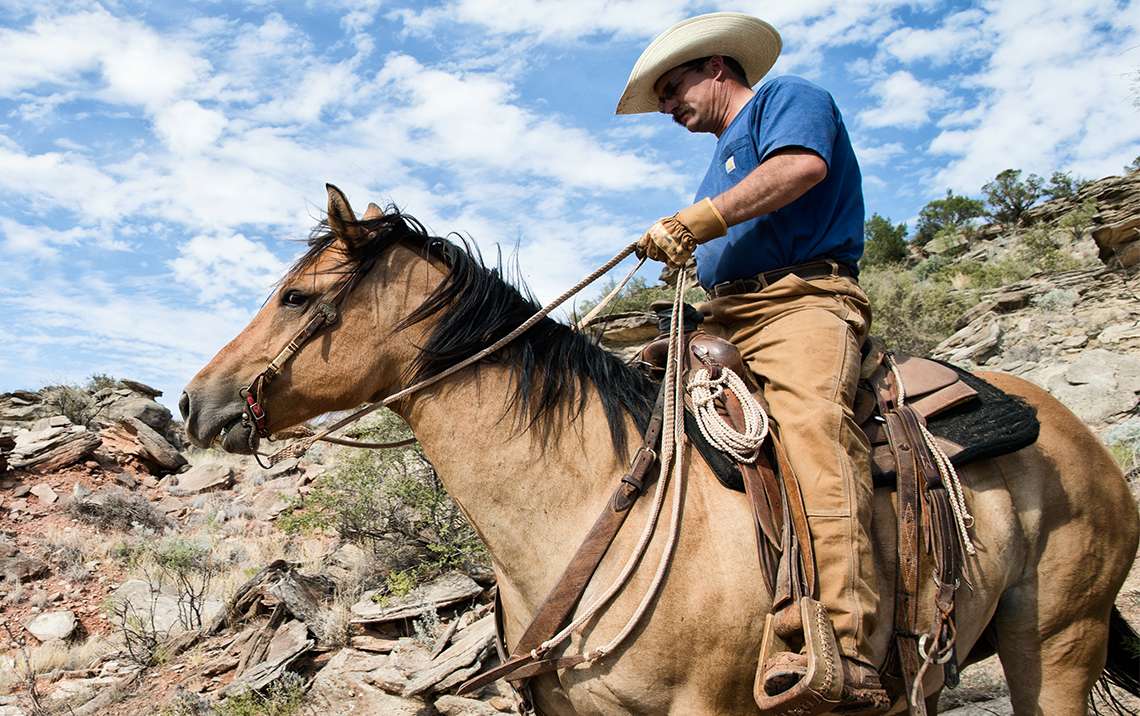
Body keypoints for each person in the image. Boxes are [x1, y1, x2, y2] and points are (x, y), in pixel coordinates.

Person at [616, 12, 889, 714]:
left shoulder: (786, 97)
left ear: (717, 68)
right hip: (726, 315)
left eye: (675, 87)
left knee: (816, 439)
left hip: (800, 303)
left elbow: (802, 168)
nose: (670, 106)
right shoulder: (717, 157)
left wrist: (697, 221)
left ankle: (851, 650)